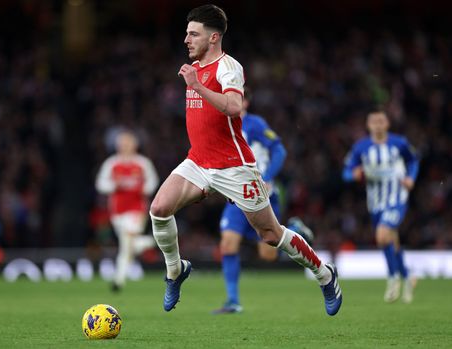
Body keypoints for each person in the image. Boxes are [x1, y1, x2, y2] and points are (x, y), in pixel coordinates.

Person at [149, 4, 342, 316]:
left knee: (270, 235)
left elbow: (234, 106)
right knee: (159, 209)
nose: (186, 39)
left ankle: (325, 274)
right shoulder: (195, 67)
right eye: (186, 33)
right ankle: (175, 271)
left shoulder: (228, 67)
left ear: (214, 38)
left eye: (193, 34)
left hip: (234, 167)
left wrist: (197, 86)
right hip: (198, 162)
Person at [213, 89, 314, 314]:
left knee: (267, 254)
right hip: (236, 195)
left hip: (261, 193)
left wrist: (266, 178)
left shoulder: (255, 124)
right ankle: (232, 301)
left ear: (245, 102)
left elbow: (279, 149)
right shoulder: (220, 125)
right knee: (227, 244)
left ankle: (294, 231)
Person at [343, 111, 419, 303]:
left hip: (396, 197)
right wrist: (355, 175)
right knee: (391, 240)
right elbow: (346, 172)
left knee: (382, 235)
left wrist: (411, 177)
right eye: (373, 121)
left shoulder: (399, 143)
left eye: (381, 121)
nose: (377, 125)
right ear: (368, 125)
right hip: (375, 202)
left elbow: (413, 160)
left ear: (387, 124)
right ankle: (408, 275)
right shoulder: (361, 147)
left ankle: (393, 278)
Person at [96, 130, 159, 292]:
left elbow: (152, 181)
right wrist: (113, 186)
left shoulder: (142, 163)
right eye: (122, 143)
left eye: (127, 143)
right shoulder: (111, 163)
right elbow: (100, 184)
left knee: (127, 243)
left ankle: (118, 280)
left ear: (134, 145)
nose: (124, 146)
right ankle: (153, 242)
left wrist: (144, 189)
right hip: (117, 211)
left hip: (137, 209)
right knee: (127, 246)